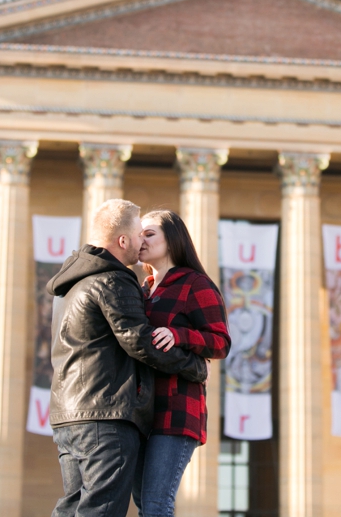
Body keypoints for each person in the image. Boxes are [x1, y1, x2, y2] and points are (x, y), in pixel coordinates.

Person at [47, 199, 209, 517]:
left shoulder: (69, 284)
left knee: (73, 507)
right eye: (139, 234)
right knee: (101, 509)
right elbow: (139, 340)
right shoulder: (114, 279)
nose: (141, 243)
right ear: (123, 241)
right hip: (106, 415)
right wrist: (193, 366)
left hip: (67, 416)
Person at [133, 210, 232, 517]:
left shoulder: (195, 284)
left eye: (149, 234)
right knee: (144, 502)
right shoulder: (144, 289)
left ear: (173, 240)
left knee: (156, 504)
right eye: (140, 235)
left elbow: (221, 342)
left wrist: (179, 335)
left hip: (176, 411)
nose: (141, 241)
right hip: (140, 410)